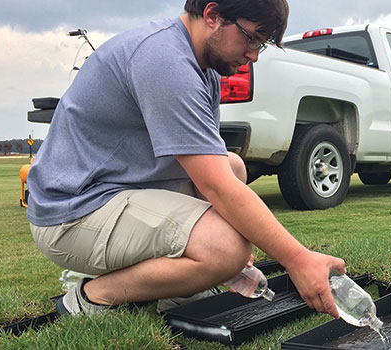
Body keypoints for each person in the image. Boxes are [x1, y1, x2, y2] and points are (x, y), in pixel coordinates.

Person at [26, 0, 346, 318]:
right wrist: (298, 259)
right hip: (70, 215)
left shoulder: (201, 68)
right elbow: (216, 186)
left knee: (233, 167)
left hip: (116, 191)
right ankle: (89, 298)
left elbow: (216, 173)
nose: (254, 55)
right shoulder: (165, 60)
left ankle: (181, 289)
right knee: (226, 249)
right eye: (251, 38)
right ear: (212, 15)